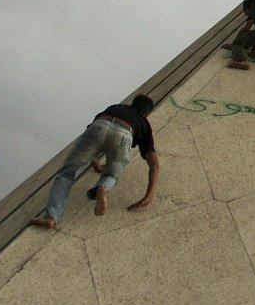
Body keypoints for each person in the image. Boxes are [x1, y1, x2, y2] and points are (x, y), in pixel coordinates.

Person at [27, 94, 159, 230]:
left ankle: (51, 216)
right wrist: (148, 196)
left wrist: (95, 164)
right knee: (111, 175)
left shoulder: (115, 108)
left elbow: (90, 138)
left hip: (100, 125)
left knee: (66, 174)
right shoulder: (143, 123)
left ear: (132, 104)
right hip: (125, 133)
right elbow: (154, 165)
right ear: (147, 113)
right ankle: (102, 187)